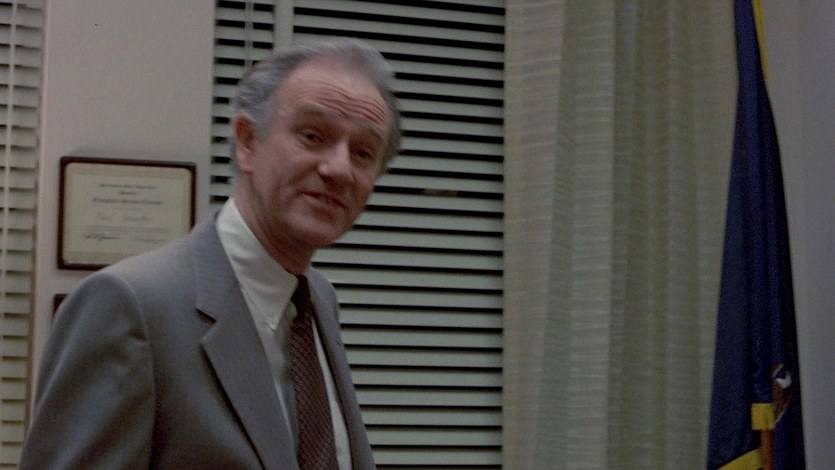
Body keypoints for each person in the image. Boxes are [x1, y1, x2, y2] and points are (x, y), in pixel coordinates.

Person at [19, 39, 400, 470]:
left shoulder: (319, 300)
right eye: (313, 136)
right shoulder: (131, 305)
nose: (339, 169)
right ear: (247, 142)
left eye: (363, 153)